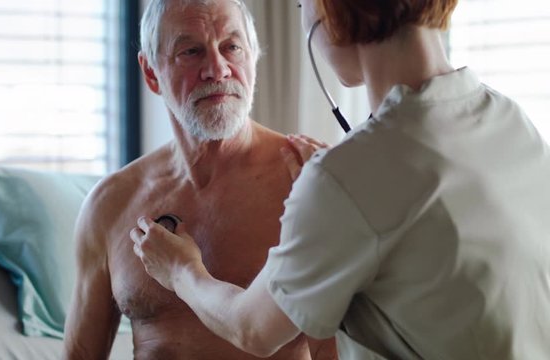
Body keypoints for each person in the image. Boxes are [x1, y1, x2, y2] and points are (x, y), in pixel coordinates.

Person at [130, 0, 550, 358]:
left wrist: (182, 270)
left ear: (331, 13)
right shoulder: (511, 118)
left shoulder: (345, 180)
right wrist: (333, 193)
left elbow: (252, 329)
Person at [62, 0, 336, 359]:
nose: (217, 69)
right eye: (191, 51)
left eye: (231, 47)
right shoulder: (111, 203)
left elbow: (333, 350)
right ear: (150, 72)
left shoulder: (305, 180)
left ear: (253, 57)